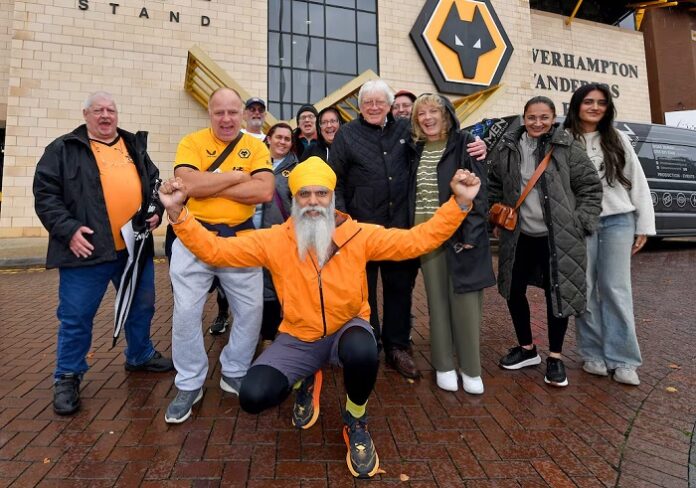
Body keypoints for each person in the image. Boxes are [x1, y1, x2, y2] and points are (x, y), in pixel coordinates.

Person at [157, 157, 482, 478]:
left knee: (363, 350)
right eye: (305, 194)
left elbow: (417, 240)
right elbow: (216, 251)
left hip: (347, 329)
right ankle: (307, 375)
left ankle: (356, 418)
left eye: (321, 194)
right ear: (294, 199)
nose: (313, 201)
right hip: (299, 337)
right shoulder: (274, 240)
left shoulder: (360, 235)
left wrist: (460, 203)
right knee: (253, 396)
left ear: (332, 197)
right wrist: (177, 212)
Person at [33, 91, 173, 416]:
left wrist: (155, 212)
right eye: (98, 110)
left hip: (133, 249)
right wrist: (67, 230)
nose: (105, 116)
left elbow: (154, 183)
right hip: (86, 252)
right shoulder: (63, 149)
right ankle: (67, 375)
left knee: (142, 306)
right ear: (86, 114)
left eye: (111, 110)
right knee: (76, 317)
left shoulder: (133, 145)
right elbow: (45, 194)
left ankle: (139, 355)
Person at [166, 87, 274, 424]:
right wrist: (234, 177)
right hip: (193, 234)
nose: (226, 119)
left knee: (251, 310)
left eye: (232, 112)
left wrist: (207, 181)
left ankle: (235, 370)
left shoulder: (256, 146)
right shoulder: (192, 142)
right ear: (210, 114)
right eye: (219, 112)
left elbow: (264, 190)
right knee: (185, 313)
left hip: (240, 238)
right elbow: (185, 184)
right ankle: (189, 382)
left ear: (242, 114)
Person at [489, 95, 602, 387]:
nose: (537, 123)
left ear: (553, 118)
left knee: (558, 295)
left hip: (558, 237)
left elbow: (590, 186)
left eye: (543, 117)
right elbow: (495, 184)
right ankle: (527, 349)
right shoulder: (508, 147)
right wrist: (494, 214)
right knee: (512, 290)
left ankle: (555, 356)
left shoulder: (567, 148)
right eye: (531, 117)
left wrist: (582, 223)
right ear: (523, 118)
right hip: (520, 235)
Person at [564, 83, 655, 386]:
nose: (595, 107)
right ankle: (593, 354)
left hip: (619, 220)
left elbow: (637, 182)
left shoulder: (617, 139)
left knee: (616, 289)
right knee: (585, 288)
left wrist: (644, 225)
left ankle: (624, 360)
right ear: (577, 105)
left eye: (601, 103)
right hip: (581, 223)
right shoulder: (564, 140)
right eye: (588, 102)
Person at [329, 80, 420, 378]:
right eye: (367, 102)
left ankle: (397, 347)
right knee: (361, 290)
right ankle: (368, 342)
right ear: (360, 105)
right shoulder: (347, 134)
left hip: (398, 229)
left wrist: (478, 144)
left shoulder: (406, 130)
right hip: (360, 229)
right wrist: (341, 218)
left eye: (379, 102)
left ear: (390, 105)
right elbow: (336, 180)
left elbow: (439, 145)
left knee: (399, 288)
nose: (373, 107)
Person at [409, 94, 495, 394]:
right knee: (437, 301)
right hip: (426, 235)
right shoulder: (414, 149)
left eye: (434, 111)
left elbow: (479, 192)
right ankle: (443, 364)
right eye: (422, 113)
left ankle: (471, 368)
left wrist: (471, 235)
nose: (428, 117)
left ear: (446, 114)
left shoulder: (465, 143)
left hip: (460, 234)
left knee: (466, 301)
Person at [255, 122, 299, 349]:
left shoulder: (296, 168)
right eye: (278, 137)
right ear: (269, 138)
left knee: (275, 287)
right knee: (254, 287)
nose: (282, 142)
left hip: (281, 237)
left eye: (287, 139)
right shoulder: (254, 161)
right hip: (251, 237)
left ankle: (271, 335)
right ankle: (258, 334)